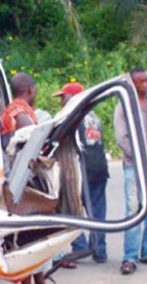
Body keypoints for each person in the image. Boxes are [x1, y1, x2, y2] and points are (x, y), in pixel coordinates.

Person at [0, 72, 68, 284]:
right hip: (22, 180)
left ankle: (39, 283)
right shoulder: (19, 113)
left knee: (36, 229)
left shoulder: (17, 110)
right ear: (30, 90)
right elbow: (33, 142)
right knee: (27, 232)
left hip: (24, 177)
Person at [113, 67, 147, 275]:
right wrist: (142, 159)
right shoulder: (124, 106)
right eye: (140, 82)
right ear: (132, 83)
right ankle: (130, 257)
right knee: (134, 210)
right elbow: (122, 138)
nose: (145, 85)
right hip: (133, 165)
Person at [53, 82, 109, 266]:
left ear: (73, 98)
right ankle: (99, 250)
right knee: (98, 211)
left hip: (81, 168)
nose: (61, 101)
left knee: (71, 208)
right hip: (99, 167)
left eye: (64, 97)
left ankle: (80, 246)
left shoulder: (72, 117)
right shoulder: (93, 116)